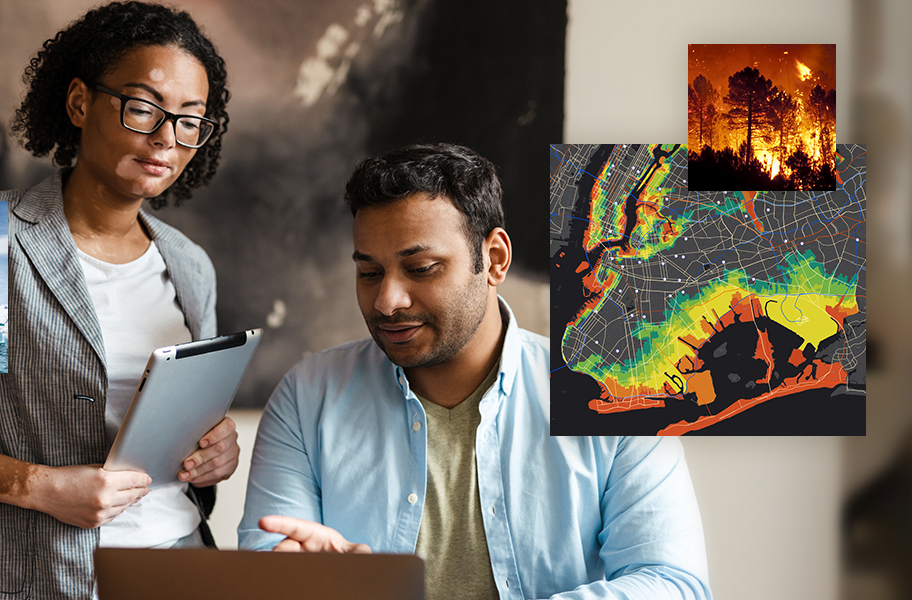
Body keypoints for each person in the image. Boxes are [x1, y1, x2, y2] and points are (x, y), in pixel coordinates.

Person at [0, 3, 239, 598]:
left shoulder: (190, 263)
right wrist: (39, 486)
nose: (167, 137)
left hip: (185, 562)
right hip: (34, 578)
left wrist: (212, 451)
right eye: (143, 107)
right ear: (80, 102)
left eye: (190, 120)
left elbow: (181, 425)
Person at [238, 143, 712, 600]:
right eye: (369, 273)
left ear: (495, 259)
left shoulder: (613, 392)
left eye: (421, 268)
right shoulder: (307, 395)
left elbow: (672, 581)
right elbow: (267, 571)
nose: (387, 301)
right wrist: (334, 587)